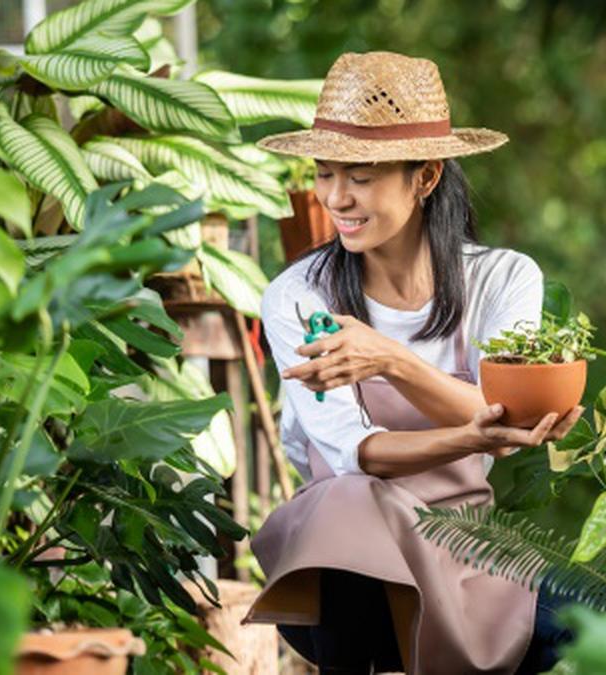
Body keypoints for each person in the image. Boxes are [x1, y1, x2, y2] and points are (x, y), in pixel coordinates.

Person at [241, 51, 582, 675]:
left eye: (360, 177)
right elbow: (356, 453)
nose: (335, 198)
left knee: (595, 622)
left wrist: (390, 361)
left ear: (425, 177)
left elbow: (506, 420)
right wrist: (475, 428)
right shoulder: (300, 295)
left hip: (464, 545)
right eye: (324, 174)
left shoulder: (502, 280)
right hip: (338, 570)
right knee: (351, 502)